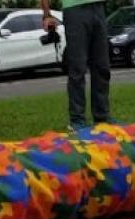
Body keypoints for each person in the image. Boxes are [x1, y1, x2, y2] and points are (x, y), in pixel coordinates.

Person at [42, 0, 111, 128]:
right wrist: (46, 14)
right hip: (74, 9)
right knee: (78, 67)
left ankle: (102, 117)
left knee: (102, 67)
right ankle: (77, 120)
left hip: (98, 7)